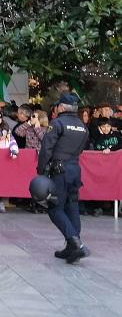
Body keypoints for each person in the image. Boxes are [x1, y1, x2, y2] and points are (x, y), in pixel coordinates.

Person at [37, 93, 91, 264]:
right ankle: (72, 246)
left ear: (61, 108)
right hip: (75, 170)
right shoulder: (83, 127)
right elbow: (82, 149)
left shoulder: (57, 123)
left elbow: (46, 149)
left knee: (54, 208)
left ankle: (76, 243)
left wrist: (41, 172)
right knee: (72, 206)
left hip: (60, 171)